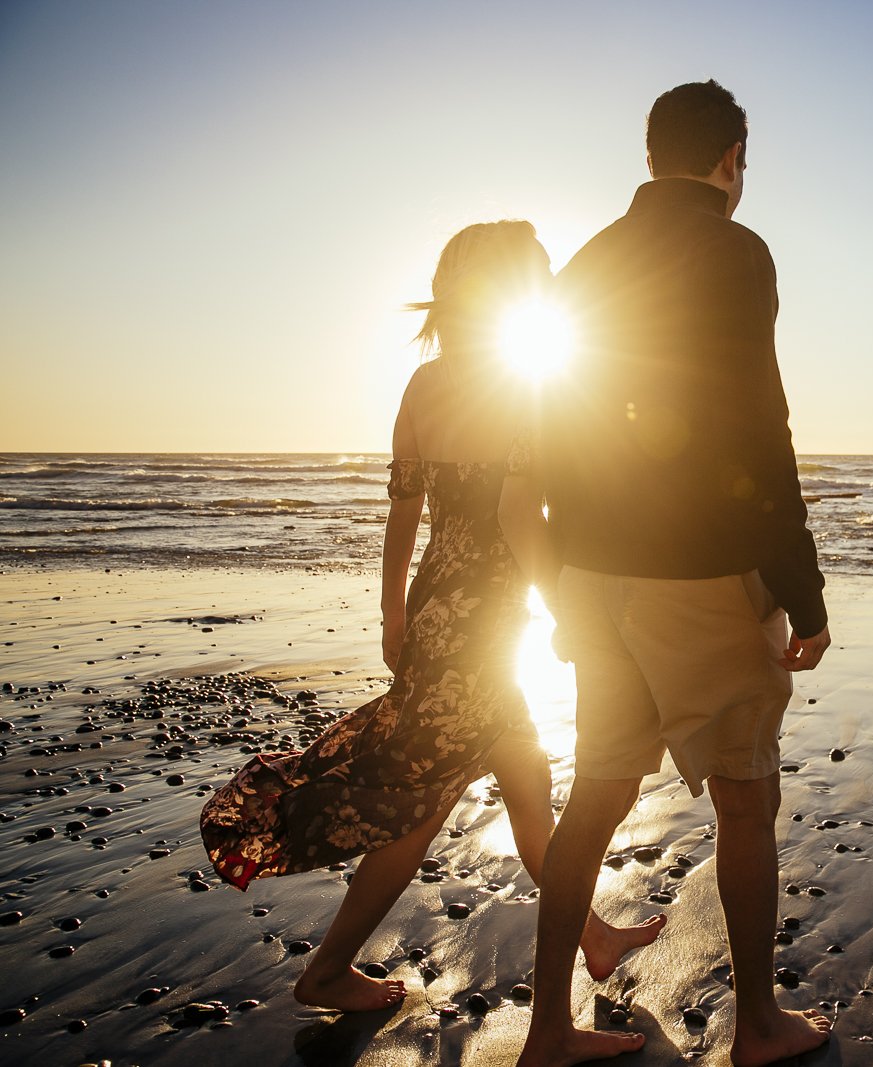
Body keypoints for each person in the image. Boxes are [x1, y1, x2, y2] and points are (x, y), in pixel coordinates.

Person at [198, 220, 662, 1014]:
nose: (549, 283)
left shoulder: (424, 385)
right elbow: (520, 514)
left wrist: (392, 612)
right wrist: (569, 609)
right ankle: (326, 969)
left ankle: (591, 934)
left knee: (526, 780)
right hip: (482, 620)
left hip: (436, 607)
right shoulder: (523, 382)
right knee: (423, 805)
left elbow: (404, 511)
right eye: (539, 271)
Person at [499, 80, 832, 1067]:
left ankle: (551, 1030)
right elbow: (755, 423)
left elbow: (553, 420)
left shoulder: (588, 261)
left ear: (651, 157)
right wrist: (803, 586)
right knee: (742, 795)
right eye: (743, 160)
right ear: (731, 157)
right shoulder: (734, 249)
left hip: (596, 569)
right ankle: (760, 1025)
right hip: (701, 573)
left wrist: (560, 578)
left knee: (596, 790)